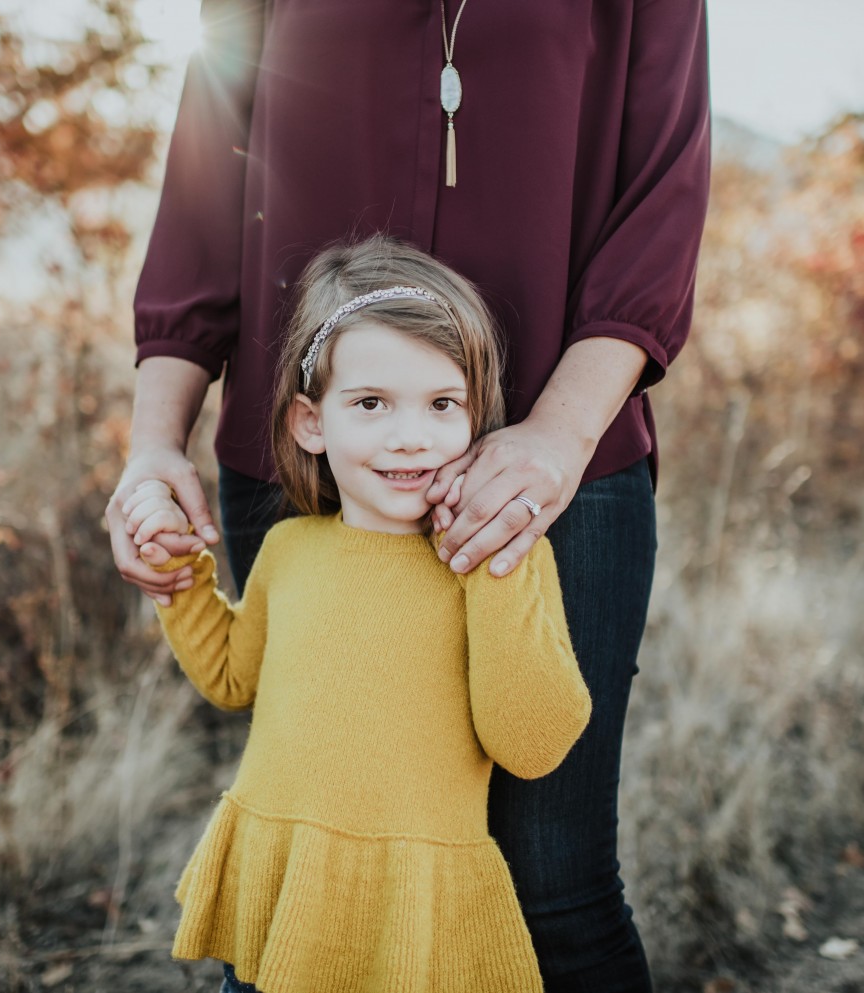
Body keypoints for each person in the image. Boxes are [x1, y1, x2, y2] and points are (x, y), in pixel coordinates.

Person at [108, 4, 711, 988]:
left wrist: (557, 439)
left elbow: (662, 203)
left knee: (554, 889)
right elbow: (203, 186)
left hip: (561, 467)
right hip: (303, 470)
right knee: (316, 872)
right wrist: (151, 447)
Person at [124, 235, 593, 992]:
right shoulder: (289, 549)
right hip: (287, 891)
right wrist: (176, 575)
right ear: (312, 423)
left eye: (443, 404)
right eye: (371, 403)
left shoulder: (499, 559)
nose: (410, 434)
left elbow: (532, 743)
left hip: (415, 912)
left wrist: (491, 572)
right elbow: (231, 676)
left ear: (478, 415)